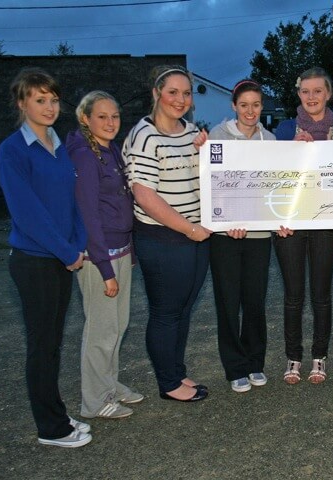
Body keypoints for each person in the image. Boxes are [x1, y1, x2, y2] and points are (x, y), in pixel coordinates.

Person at [0, 68, 91, 447]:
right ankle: (50, 429)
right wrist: (69, 251)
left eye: (53, 99)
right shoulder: (13, 150)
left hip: (63, 258)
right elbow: (27, 213)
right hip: (35, 261)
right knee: (41, 345)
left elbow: (73, 202)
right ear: (22, 103)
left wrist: (79, 242)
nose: (50, 106)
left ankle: (55, 413)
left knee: (53, 343)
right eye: (40, 100)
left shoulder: (59, 145)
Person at [123, 65, 211, 403]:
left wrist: (209, 152)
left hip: (194, 236)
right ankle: (168, 383)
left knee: (184, 309)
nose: (181, 99)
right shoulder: (143, 135)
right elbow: (145, 195)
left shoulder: (193, 133)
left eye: (186, 93)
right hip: (163, 237)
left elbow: (206, 178)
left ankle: (176, 371)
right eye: (173, 92)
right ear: (157, 93)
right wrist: (189, 229)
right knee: (165, 312)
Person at [67, 91, 143, 419]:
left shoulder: (110, 149)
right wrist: (104, 267)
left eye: (115, 116)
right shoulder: (84, 155)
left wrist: (130, 253)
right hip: (101, 256)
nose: (111, 122)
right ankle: (94, 401)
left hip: (121, 250)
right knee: (102, 328)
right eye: (102, 116)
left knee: (118, 323)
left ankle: (109, 384)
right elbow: (88, 215)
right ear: (85, 118)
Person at [274, 67, 333, 385]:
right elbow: (270, 175)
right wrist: (291, 149)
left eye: (318, 91)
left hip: (326, 221)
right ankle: (293, 358)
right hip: (289, 222)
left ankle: (319, 357)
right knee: (293, 295)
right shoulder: (283, 129)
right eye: (306, 91)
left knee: (321, 295)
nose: (312, 97)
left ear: (329, 94)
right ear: (299, 94)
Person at [207, 79, 276, 393]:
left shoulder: (271, 140)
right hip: (225, 235)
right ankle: (235, 367)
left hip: (259, 235)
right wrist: (227, 221)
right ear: (234, 106)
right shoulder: (216, 139)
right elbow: (211, 186)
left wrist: (281, 220)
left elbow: (277, 188)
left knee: (254, 301)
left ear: (262, 107)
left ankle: (254, 362)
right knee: (228, 301)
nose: (251, 111)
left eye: (256, 105)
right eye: (244, 105)